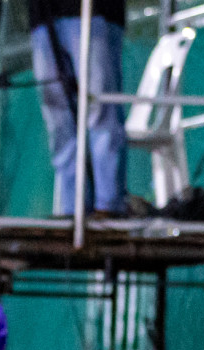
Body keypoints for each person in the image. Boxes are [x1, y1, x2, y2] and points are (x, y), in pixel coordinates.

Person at [29, 0, 127, 216]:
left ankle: (108, 207)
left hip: (93, 12)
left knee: (99, 110)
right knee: (58, 120)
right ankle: (73, 208)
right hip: (43, 17)